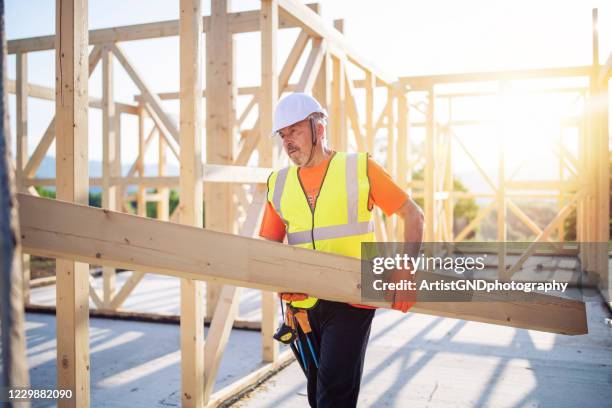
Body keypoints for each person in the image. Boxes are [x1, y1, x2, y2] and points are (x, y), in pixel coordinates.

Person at [259, 93, 424, 408]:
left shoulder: (359, 167)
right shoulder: (278, 183)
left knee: (333, 395)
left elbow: (413, 215)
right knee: (318, 392)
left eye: (294, 130)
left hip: (352, 299)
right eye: (283, 135)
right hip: (302, 306)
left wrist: (405, 270)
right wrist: (280, 281)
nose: (287, 141)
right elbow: (269, 244)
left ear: (318, 128)